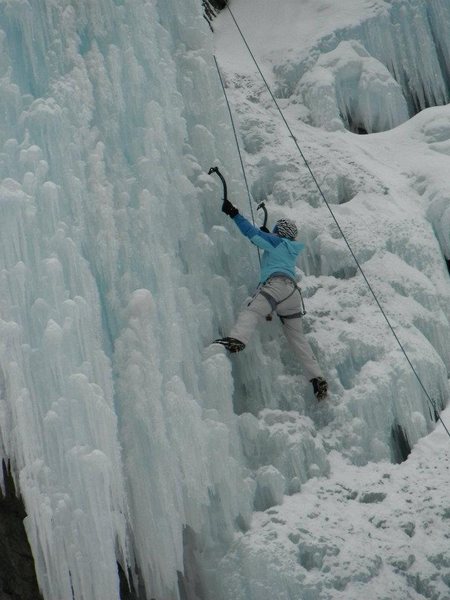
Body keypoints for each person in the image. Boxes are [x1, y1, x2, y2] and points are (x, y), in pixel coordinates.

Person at [214, 196, 328, 401]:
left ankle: (237, 340)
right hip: (292, 294)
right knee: (297, 338)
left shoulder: (276, 242)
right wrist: (270, 236)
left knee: (253, 310)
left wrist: (234, 214)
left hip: (276, 287)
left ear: (279, 232)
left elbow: (253, 234)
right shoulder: (289, 248)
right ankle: (317, 378)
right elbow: (271, 242)